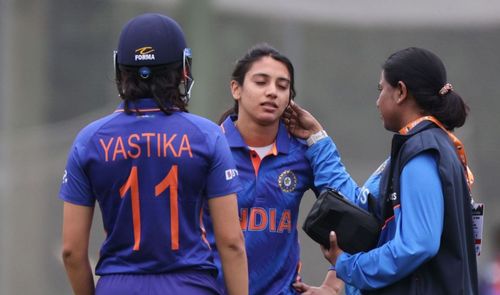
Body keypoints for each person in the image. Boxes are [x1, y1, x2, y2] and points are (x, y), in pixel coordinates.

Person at [59, 13, 248, 295]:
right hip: (189, 286)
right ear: (183, 70)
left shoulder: (89, 140)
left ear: (120, 69)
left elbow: (72, 252)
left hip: (117, 287)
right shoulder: (207, 136)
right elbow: (231, 241)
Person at [286, 47, 478, 294]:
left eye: (381, 90)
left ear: (400, 91)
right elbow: (361, 205)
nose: (378, 101)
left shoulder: (421, 151)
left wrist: (350, 265)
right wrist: (317, 139)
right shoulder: (423, 145)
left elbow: (418, 244)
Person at [204, 43, 343, 295]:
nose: (272, 92)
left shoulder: (302, 154)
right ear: (236, 88)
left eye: (282, 86)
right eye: (261, 82)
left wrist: (333, 284)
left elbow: (350, 210)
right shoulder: (208, 148)